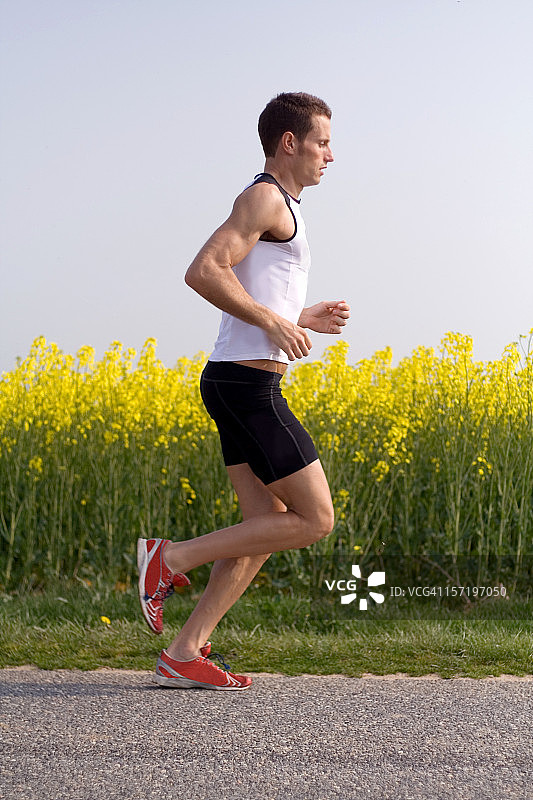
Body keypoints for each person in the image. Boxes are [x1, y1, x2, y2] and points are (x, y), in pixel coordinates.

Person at [137, 92, 350, 691]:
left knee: (262, 523)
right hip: (247, 386)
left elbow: (253, 288)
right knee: (314, 519)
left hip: (236, 379)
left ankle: (185, 650)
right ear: (290, 141)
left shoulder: (285, 207)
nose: (331, 154)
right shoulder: (263, 197)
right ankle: (169, 559)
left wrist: (297, 316)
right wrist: (274, 323)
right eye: (322, 141)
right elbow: (203, 270)